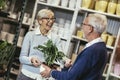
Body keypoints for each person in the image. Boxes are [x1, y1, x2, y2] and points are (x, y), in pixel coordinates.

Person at [40, 13, 108, 80]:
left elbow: (71, 77)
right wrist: (68, 68)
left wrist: (51, 72)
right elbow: (81, 73)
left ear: (90, 28)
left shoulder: (92, 50)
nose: (82, 27)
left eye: (83, 24)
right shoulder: (101, 47)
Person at [17, 9, 65, 80]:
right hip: (26, 76)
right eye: (48, 19)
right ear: (40, 20)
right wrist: (31, 60)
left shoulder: (56, 38)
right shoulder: (30, 35)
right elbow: (22, 58)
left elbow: (61, 56)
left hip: (43, 77)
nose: (51, 21)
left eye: (52, 19)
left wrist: (65, 61)